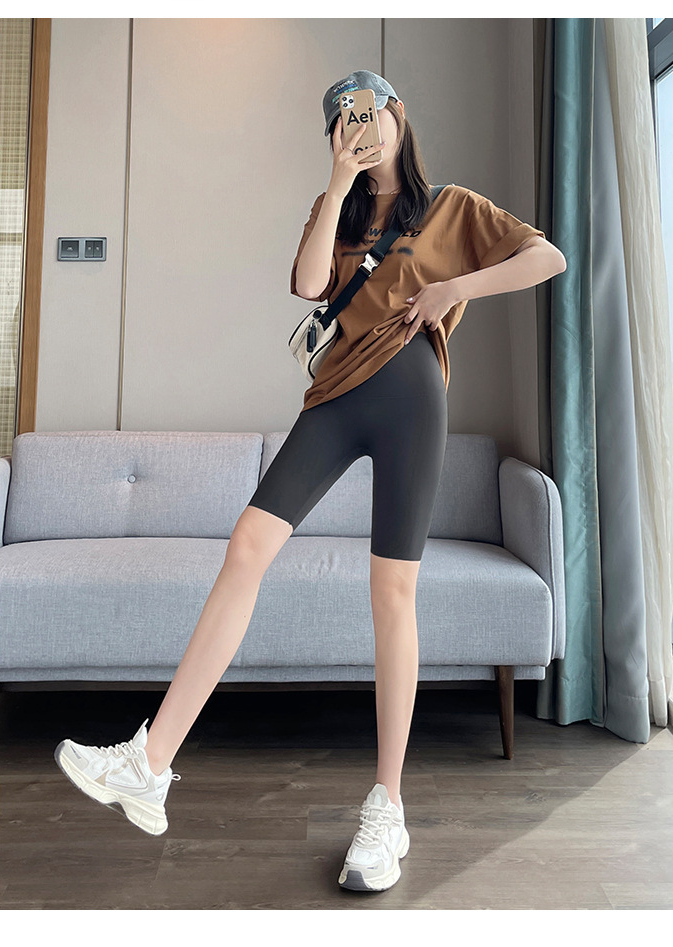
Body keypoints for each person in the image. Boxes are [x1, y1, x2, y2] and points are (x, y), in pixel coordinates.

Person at [54, 70, 566, 893]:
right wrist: (337, 181)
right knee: (247, 545)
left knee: (391, 592)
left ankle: (387, 807)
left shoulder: (453, 208)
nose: (358, 127)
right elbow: (305, 283)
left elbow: (548, 255)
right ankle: (149, 764)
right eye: (341, 122)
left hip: (411, 397)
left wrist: (453, 288)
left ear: (398, 113)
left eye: (368, 112)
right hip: (334, 399)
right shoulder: (340, 211)